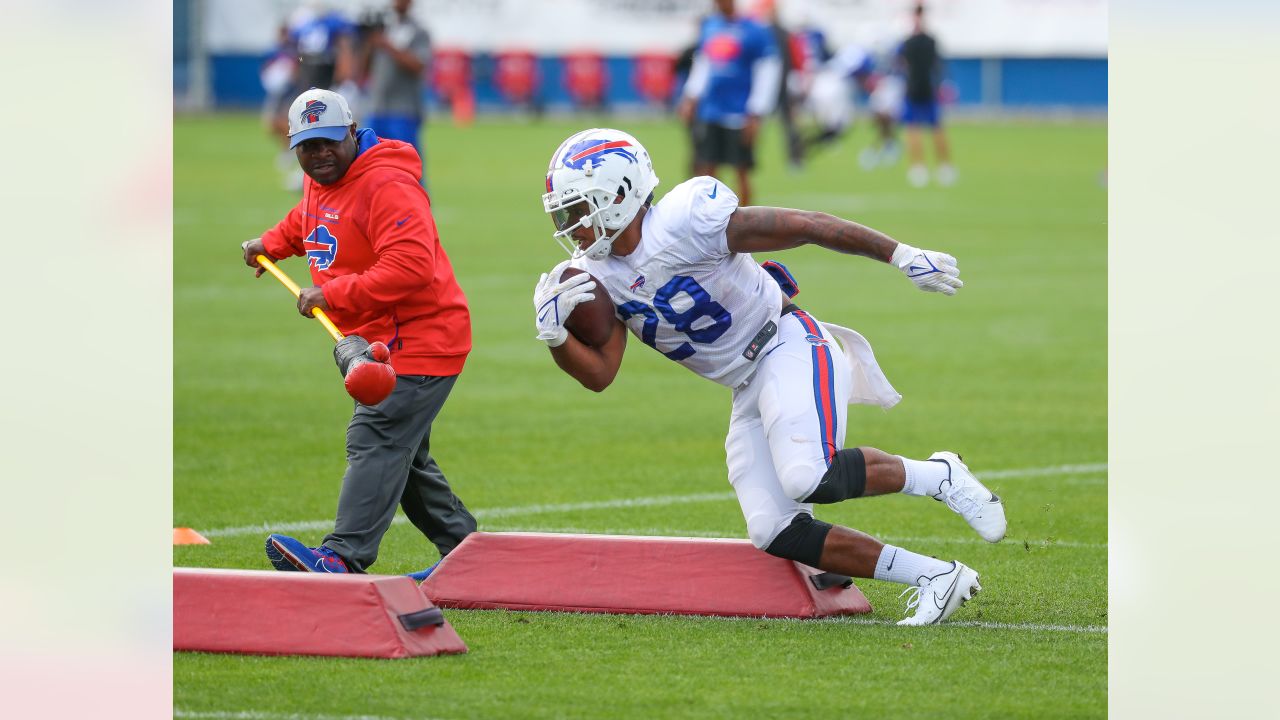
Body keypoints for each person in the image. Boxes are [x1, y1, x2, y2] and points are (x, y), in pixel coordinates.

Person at [534, 128, 1006, 625]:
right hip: (746, 383)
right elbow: (602, 374)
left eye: (578, 208)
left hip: (787, 341)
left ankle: (940, 475)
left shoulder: (683, 221)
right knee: (773, 530)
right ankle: (936, 576)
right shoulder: (596, 275)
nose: (572, 226)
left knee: (806, 475)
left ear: (619, 195)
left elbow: (805, 224)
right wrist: (556, 338)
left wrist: (901, 255)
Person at [241, 88, 475, 579]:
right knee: (404, 461)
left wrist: (333, 295)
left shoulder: (386, 185)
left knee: (377, 434)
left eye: (329, 142)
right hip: (381, 340)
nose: (319, 154)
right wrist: (272, 244)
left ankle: (340, 557)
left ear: (351, 133)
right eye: (307, 146)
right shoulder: (321, 179)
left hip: (420, 337)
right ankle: (471, 555)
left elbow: (412, 266)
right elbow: (309, 221)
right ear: (294, 146)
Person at [678, 0, 781, 207]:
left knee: (741, 171)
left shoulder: (755, 30)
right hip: (710, 110)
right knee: (706, 170)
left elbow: (767, 71)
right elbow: (703, 64)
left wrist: (756, 112)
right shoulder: (710, 26)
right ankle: (706, 218)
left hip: (739, 113)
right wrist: (690, 97)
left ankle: (744, 225)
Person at [359, 0, 432, 187]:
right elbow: (363, 70)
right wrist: (369, 42)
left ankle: (417, 210)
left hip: (404, 109)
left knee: (408, 167)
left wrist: (387, 45)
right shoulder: (382, 27)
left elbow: (418, 65)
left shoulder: (418, 30)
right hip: (376, 107)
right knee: (369, 164)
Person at [898, 4, 955, 187]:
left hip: (924, 90)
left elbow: (934, 66)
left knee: (933, 128)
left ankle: (942, 167)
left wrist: (939, 85)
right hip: (916, 90)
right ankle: (920, 167)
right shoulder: (914, 42)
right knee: (915, 129)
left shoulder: (923, 41)